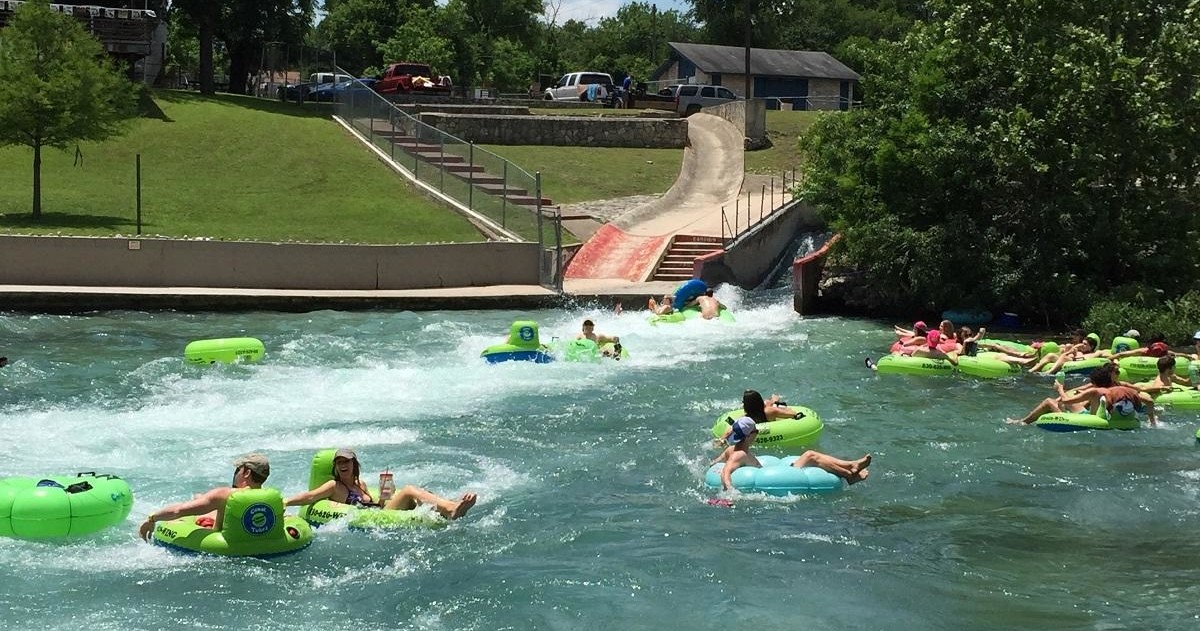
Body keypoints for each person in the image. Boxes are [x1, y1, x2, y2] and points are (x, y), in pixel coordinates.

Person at [715, 390, 870, 490]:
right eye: (755, 431)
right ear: (749, 435)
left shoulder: (732, 449)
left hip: (773, 474)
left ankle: (850, 469)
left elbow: (715, 463)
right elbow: (725, 471)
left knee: (811, 455)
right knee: (810, 455)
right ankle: (850, 472)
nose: (757, 433)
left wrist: (720, 446)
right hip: (776, 478)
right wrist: (730, 492)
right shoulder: (739, 454)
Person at [284, 448, 477, 521]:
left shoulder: (361, 484)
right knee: (409, 490)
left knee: (421, 493)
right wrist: (285, 502)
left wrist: (387, 491)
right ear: (335, 467)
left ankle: (451, 506)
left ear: (354, 464)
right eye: (339, 462)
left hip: (379, 512)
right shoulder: (334, 486)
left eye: (346, 462)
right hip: (374, 517)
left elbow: (380, 504)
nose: (343, 465)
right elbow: (310, 496)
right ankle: (451, 509)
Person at [138, 453, 271, 540]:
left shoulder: (224, 495)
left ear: (247, 473)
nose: (235, 474)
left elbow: (178, 511)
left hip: (225, 549)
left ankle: (201, 499)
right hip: (257, 546)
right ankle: (201, 499)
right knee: (202, 499)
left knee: (201, 502)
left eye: (238, 470)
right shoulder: (272, 499)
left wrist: (152, 519)